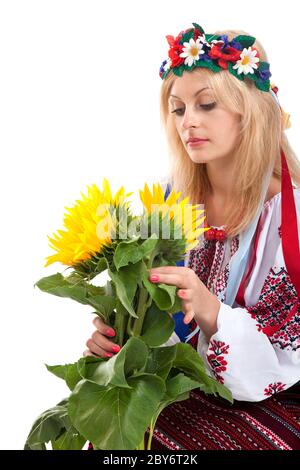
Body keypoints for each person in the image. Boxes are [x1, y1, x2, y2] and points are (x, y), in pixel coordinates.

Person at [84, 23, 300, 450]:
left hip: (272, 399)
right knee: (110, 438)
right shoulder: (169, 203)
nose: (189, 123)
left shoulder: (289, 217)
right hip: (183, 387)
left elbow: (285, 355)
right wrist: (121, 337)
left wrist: (210, 310)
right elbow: (155, 318)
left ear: (250, 110)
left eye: (206, 105)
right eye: (179, 109)